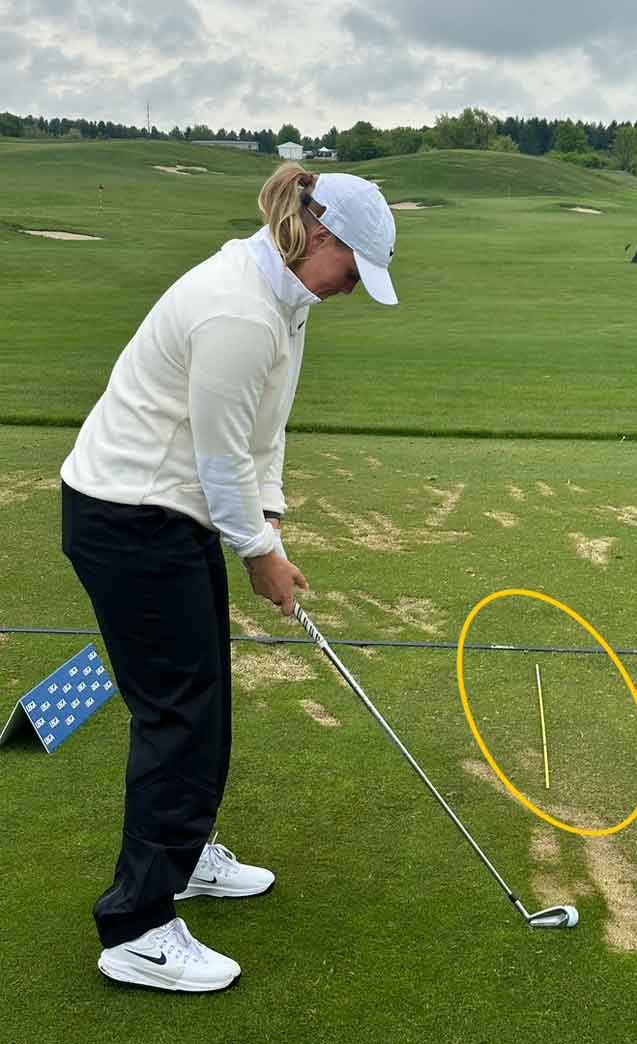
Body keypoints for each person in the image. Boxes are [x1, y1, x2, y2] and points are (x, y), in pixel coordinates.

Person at [61, 162, 398, 991]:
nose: (352, 288)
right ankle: (137, 927)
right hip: (129, 516)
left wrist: (270, 526)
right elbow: (218, 460)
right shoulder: (240, 309)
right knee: (177, 714)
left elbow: (261, 436)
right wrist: (258, 554)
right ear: (321, 237)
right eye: (353, 271)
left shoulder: (287, 299)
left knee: (201, 697)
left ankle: (183, 856)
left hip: (164, 516)